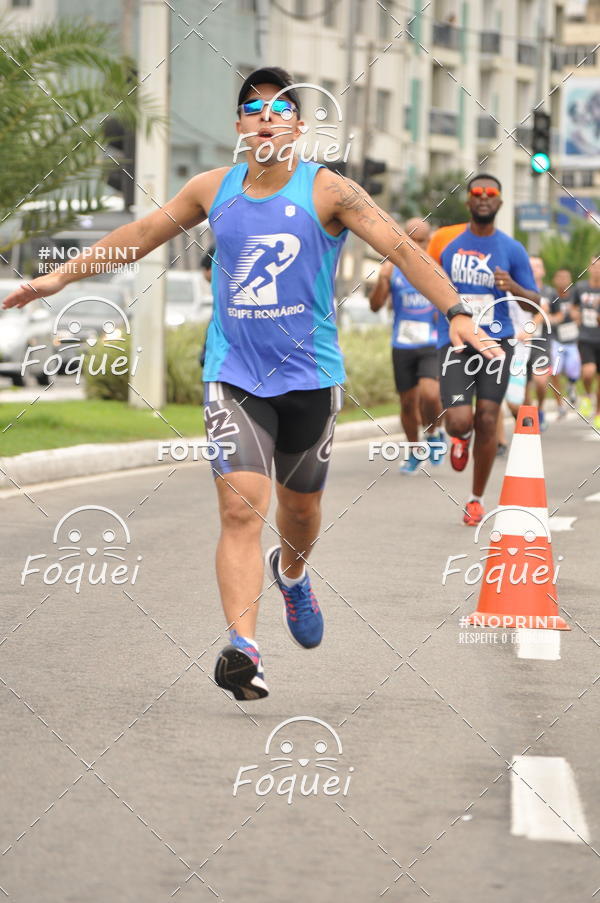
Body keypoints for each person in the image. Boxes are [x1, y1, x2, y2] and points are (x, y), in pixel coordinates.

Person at [3, 66, 499, 701]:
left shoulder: (331, 192)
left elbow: (402, 249)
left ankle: (291, 575)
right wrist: (59, 278)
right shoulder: (213, 190)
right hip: (233, 375)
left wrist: (456, 310)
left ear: (297, 125)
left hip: (311, 379)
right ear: (239, 126)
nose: (266, 116)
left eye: (280, 109)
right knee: (240, 509)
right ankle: (245, 650)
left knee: (301, 510)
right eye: (253, 108)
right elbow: (139, 237)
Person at [438, 173, 540, 526]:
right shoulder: (451, 249)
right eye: (477, 193)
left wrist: (513, 286)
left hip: (498, 343)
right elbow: (439, 296)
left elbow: (535, 303)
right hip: (457, 343)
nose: (483, 197)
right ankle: (459, 437)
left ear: (499, 202)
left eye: (491, 193)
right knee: (459, 420)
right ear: (469, 201)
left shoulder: (512, 249)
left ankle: (475, 499)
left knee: (487, 418)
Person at [369, 217, 445, 474]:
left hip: (431, 343)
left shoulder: (437, 267)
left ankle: (433, 432)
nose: (416, 245)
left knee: (430, 395)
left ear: (429, 240)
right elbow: (376, 306)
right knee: (407, 403)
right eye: (412, 239)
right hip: (402, 344)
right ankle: (414, 451)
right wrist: (382, 281)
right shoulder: (393, 267)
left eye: (421, 240)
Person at [524, 256, 553, 431]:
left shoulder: (548, 292)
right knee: (523, 386)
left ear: (543, 271)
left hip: (540, 342)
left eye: (538, 266)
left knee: (540, 380)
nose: (534, 269)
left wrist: (533, 325)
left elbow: (548, 311)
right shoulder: (518, 287)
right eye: (531, 266)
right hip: (519, 343)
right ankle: (529, 416)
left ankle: (540, 408)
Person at [572, 255, 600, 427]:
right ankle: (588, 395)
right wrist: (576, 316)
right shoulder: (580, 288)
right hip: (586, 338)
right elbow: (574, 307)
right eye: (594, 266)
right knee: (588, 372)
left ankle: (598, 413)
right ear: (589, 268)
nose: (597, 269)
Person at [550, 267, 580, 417]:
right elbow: (546, 316)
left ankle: (571, 385)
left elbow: (584, 311)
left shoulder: (576, 294)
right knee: (554, 371)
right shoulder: (551, 296)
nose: (562, 280)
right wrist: (556, 318)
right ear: (554, 280)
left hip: (573, 340)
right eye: (559, 277)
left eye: (565, 277)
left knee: (574, 368)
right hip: (556, 339)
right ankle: (559, 404)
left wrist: (577, 316)